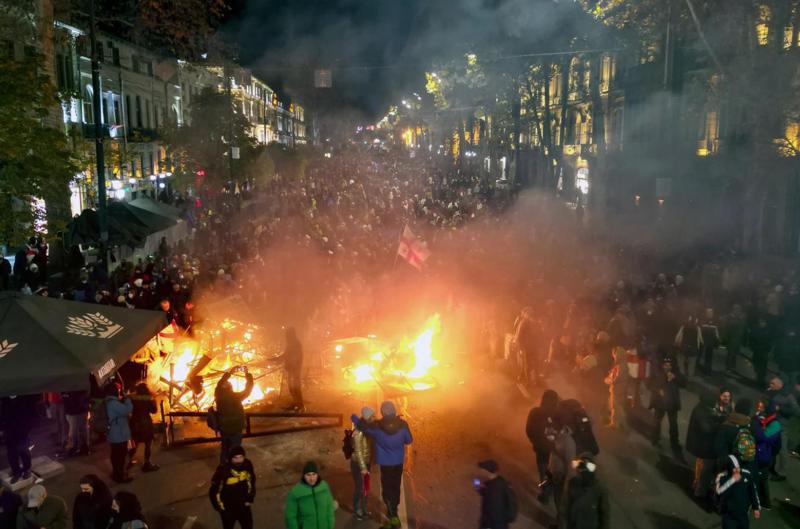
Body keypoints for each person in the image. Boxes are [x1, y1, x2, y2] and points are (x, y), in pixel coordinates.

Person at [353, 401, 412, 529]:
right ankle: (394, 509)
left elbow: (363, 426)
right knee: (395, 486)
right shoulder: (403, 425)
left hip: (386, 463)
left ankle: (393, 518)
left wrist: (354, 418)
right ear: (394, 411)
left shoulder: (376, 427)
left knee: (387, 488)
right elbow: (409, 440)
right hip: (398, 462)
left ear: (382, 412)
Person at [686, 391, 723, 504]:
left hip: (702, 444)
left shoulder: (702, 408)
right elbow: (707, 429)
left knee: (703, 467)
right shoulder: (701, 411)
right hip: (704, 446)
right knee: (705, 469)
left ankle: (698, 486)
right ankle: (699, 491)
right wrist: (720, 425)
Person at [545, 401, 577, 527]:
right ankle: (560, 523)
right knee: (558, 504)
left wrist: (567, 488)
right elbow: (548, 437)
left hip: (563, 480)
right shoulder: (558, 435)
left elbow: (571, 469)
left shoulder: (568, 443)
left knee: (562, 506)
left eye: (553, 424)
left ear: (559, 425)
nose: (550, 427)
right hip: (557, 477)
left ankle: (561, 525)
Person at [648, 355, 687, 457]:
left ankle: (674, 443)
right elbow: (649, 383)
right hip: (659, 402)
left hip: (672, 403)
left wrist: (676, 377)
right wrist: (657, 390)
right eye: (665, 364)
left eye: (669, 365)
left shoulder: (676, 373)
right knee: (657, 421)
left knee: (673, 424)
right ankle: (654, 438)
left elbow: (684, 383)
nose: (667, 367)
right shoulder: (657, 372)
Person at [209, 445, 255, 529]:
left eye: (241, 457)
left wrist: (249, 498)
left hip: (243, 505)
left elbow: (251, 481)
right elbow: (214, 492)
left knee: (248, 526)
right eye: (235, 458)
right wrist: (221, 509)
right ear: (230, 458)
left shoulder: (247, 464)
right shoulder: (223, 471)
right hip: (228, 508)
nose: (239, 460)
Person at [214, 367, 254, 464]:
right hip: (236, 429)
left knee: (224, 449)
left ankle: (223, 467)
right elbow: (248, 388)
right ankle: (233, 467)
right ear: (231, 388)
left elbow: (220, 383)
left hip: (224, 428)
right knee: (234, 449)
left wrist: (230, 373)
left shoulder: (218, 396)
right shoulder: (237, 397)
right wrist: (247, 374)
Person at [525, 389, 560, 501]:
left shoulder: (535, 411)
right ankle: (555, 493)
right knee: (555, 471)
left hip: (542, 449)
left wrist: (535, 442)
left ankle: (545, 492)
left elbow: (528, 430)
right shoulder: (558, 414)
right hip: (555, 449)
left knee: (543, 471)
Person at [562, 453, 610, 529]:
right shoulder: (572, 484)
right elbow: (565, 509)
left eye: (586, 467)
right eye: (581, 467)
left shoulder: (599, 489)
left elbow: (604, 516)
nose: (582, 472)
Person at [765, 374, 799, 480]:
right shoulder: (772, 392)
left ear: (780, 385)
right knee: (769, 444)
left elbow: (796, 411)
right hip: (770, 421)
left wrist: (780, 408)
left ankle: (782, 473)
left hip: (781, 424)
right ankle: (769, 467)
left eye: (773, 383)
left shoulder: (788, 396)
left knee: (782, 448)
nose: (770, 384)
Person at [284, 461, 335, 529]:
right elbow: (290, 516)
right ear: (304, 475)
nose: (312, 478)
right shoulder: (296, 493)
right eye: (308, 475)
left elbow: (329, 509)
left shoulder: (324, 487)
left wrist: (330, 526)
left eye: (314, 474)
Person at [715, 454, 761, 529]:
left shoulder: (746, 474)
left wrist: (756, 507)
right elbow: (718, 491)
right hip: (729, 516)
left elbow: (753, 491)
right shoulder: (722, 476)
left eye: (738, 467)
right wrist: (732, 480)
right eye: (734, 468)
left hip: (743, 515)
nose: (737, 470)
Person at [0, 395, 37, 483]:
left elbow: (31, 413)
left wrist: (28, 428)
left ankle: (27, 468)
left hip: (22, 429)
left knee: (23, 449)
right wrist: (1, 428)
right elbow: (1, 414)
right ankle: (16, 471)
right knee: (11, 452)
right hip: (9, 430)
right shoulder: (4, 398)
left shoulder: (24, 397)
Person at [104, 382, 133, 483]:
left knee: (116, 454)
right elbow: (127, 409)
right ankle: (119, 476)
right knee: (120, 455)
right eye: (118, 390)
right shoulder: (113, 403)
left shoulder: (109, 401)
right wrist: (128, 399)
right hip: (119, 434)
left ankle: (117, 473)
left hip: (114, 433)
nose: (119, 391)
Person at [128, 383, 159, 473]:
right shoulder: (148, 398)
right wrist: (154, 401)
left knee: (135, 443)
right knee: (148, 444)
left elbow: (128, 408)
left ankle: (127, 462)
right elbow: (154, 410)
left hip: (134, 423)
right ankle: (147, 464)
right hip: (145, 423)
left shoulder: (132, 398)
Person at [475, 460, 515, 529]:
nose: (480, 471)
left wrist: (487, 526)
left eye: (482, 470)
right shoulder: (500, 482)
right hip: (502, 523)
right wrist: (480, 489)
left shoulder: (493, 489)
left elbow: (494, 511)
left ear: (486, 471)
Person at [351, 407, 375, 520]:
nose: (374, 418)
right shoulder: (358, 432)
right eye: (372, 416)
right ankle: (357, 509)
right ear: (367, 417)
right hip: (357, 464)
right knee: (359, 487)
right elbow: (358, 451)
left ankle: (365, 508)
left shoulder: (369, 428)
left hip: (367, 463)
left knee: (366, 487)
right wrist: (363, 468)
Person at [279, 327, 304, 411]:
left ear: (291, 334)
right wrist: (276, 359)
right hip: (291, 369)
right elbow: (286, 354)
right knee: (291, 388)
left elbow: (298, 357)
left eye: (287, 334)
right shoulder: (290, 344)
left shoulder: (296, 344)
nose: (286, 336)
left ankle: (300, 406)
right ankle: (295, 404)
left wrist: (294, 367)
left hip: (295, 370)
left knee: (296, 388)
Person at [63, 390, 90, 456]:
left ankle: (81, 447)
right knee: (75, 430)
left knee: (79, 430)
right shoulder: (67, 389)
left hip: (77, 410)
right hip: (73, 411)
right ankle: (76, 447)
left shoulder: (77, 387)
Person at [747, 317, 773, 386]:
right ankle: (758, 378)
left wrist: (768, 349)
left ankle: (760, 380)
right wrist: (753, 347)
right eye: (761, 322)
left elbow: (770, 341)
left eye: (763, 322)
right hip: (757, 351)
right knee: (756, 365)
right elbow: (751, 339)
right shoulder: (756, 329)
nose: (762, 323)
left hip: (764, 351)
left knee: (763, 367)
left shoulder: (768, 330)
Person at [698, 308, 721, 375]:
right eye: (708, 312)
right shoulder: (702, 320)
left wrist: (717, 339)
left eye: (711, 313)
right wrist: (700, 339)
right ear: (706, 313)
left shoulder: (715, 321)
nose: (709, 314)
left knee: (709, 357)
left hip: (710, 342)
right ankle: (696, 367)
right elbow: (699, 331)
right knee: (699, 355)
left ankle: (707, 371)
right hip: (702, 341)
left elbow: (716, 332)